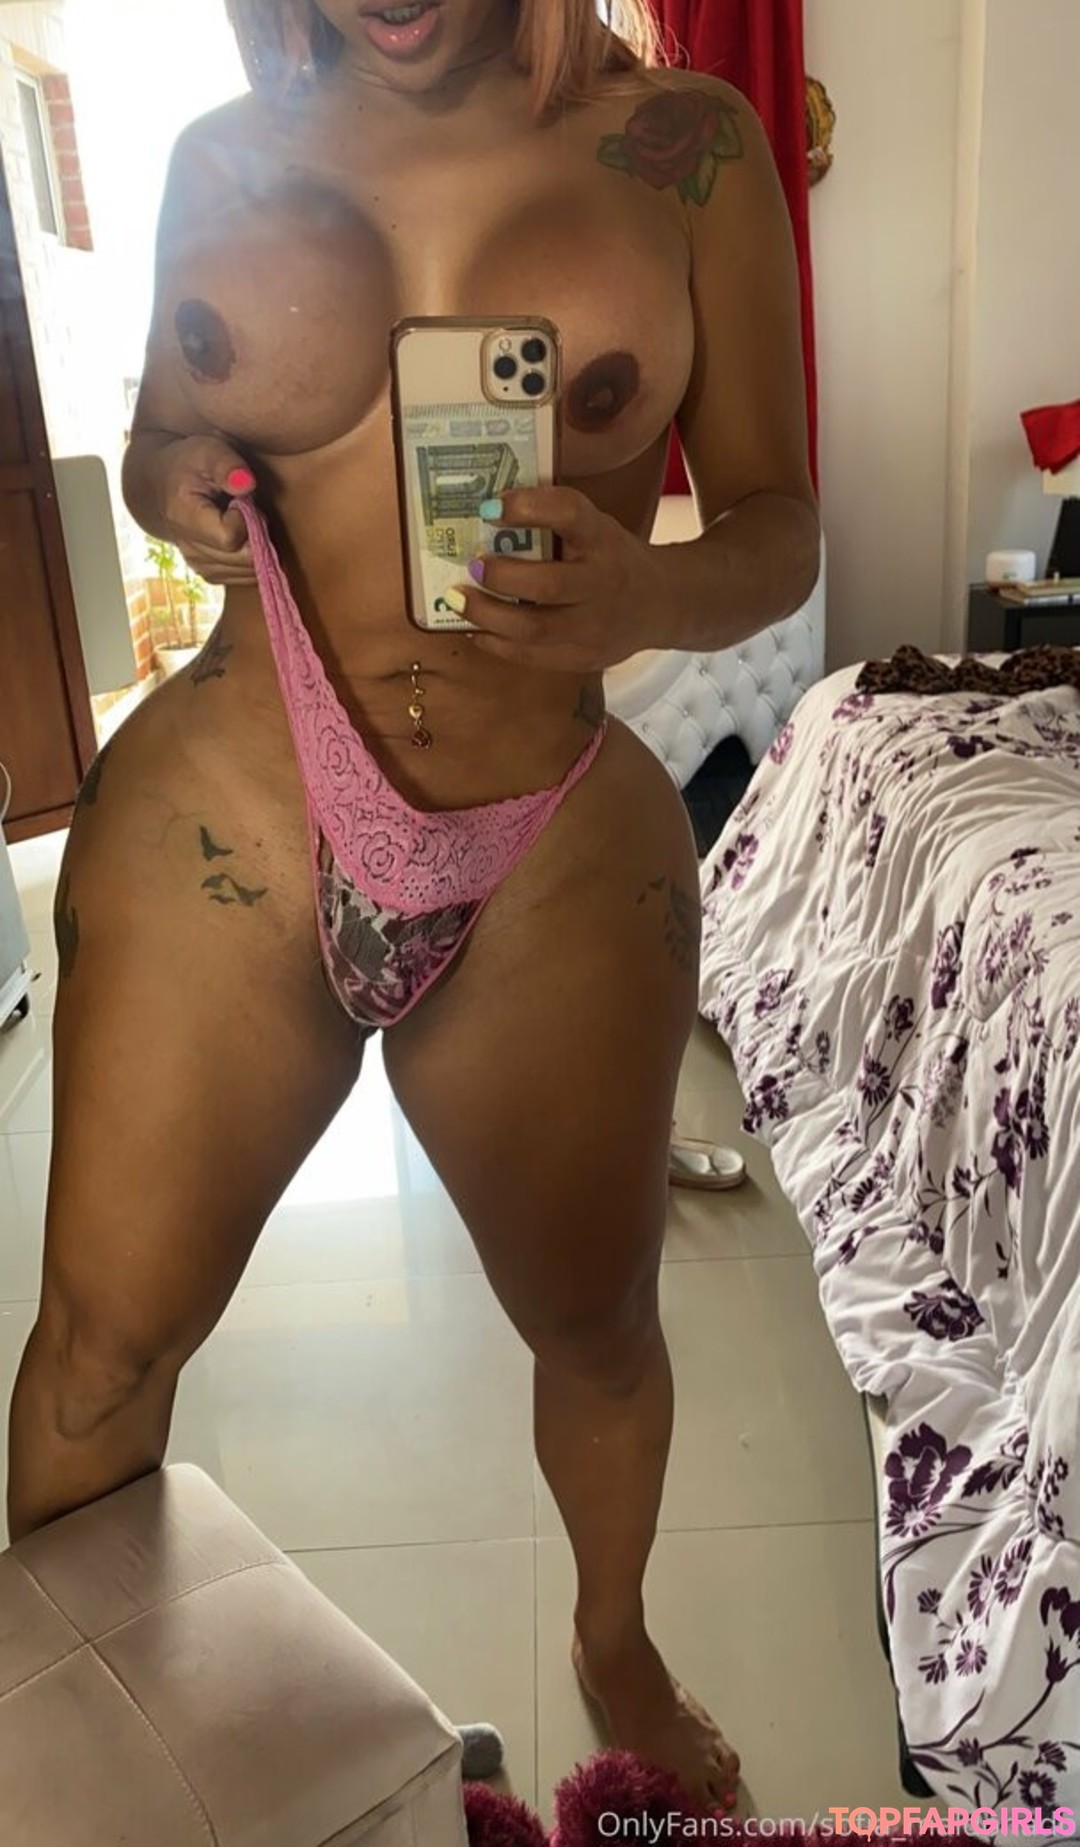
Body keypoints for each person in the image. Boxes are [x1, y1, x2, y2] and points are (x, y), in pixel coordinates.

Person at [6, 0, 819, 1807]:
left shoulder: (691, 147)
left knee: (599, 1327)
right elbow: (157, 439)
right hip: (239, 793)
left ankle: (614, 1637)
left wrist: (649, 596)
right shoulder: (220, 154)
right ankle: (89, 1727)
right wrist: (174, 490)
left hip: (550, 828)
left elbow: (782, 523)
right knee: (97, 1353)